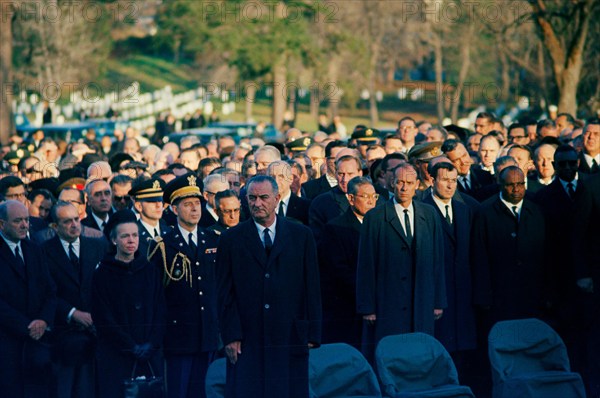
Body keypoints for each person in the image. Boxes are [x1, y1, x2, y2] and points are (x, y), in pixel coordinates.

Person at [216, 175, 322, 398]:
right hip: (247, 337)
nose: (257, 203)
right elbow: (225, 293)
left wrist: (312, 332)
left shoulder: (301, 235)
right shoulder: (231, 239)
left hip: (289, 334)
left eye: (264, 197)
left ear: (276, 198)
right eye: (252, 198)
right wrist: (231, 336)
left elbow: (312, 287)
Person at [356, 164, 446, 353]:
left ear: (417, 185)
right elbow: (366, 264)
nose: (404, 188)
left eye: (409, 183)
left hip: (421, 301)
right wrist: (367, 307)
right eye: (400, 183)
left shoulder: (429, 214)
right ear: (392, 184)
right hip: (388, 303)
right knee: (391, 352)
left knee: (420, 351)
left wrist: (438, 301)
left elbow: (437, 260)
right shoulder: (375, 217)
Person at [148, 173, 219, 398]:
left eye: (197, 204)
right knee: (178, 390)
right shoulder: (163, 246)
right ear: (174, 209)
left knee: (204, 391)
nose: (194, 209)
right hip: (178, 336)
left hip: (208, 333)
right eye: (187, 204)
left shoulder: (213, 239)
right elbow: (155, 295)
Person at [91, 210, 166, 398]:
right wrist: (130, 346)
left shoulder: (149, 270)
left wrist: (151, 343)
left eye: (135, 235)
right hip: (117, 354)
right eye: (125, 236)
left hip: (149, 353)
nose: (131, 240)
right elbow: (103, 317)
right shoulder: (103, 273)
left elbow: (160, 309)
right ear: (114, 240)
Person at [43, 201, 108, 398]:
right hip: (65, 332)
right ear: (55, 226)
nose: (74, 225)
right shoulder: (44, 251)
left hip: (98, 328)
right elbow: (46, 291)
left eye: (76, 219)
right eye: (67, 221)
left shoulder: (97, 246)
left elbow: (105, 287)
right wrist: (72, 313)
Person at [472, 166, 546, 326]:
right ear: (500, 184)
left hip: (531, 293)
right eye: (510, 185)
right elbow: (479, 256)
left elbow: (546, 255)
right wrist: (483, 296)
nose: (516, 189)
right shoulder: (485, 212)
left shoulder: (536, 210)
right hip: (500, 294)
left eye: (520, 184)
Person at [0, 200, 57, 398]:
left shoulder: (34, 249)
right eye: (17, 221)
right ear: (2, 224)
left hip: (37, 343)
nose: (25, 225)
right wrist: (27, 326)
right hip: (7, 343)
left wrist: (43, 320)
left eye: (26, 220)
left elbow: (50, 290)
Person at [319, 177, 377, 349]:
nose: (371, 201)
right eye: (365, 196)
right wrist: (367, 293)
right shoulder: (335, 228)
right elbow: (339, 270)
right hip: (349, 307)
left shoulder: (380, 224)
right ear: (351, 198)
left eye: (374, 197)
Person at [130, 177, 171, 257]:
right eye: (152, 201)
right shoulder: (132, 235)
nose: (158, 205)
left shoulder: (169, 231)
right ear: (139, 206)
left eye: (160, 200)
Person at [267, 160, 310, 225]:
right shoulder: (261, 205)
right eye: (272, 177)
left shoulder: (305, 206)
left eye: (281, 176)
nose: (276, 181)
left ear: (290, 179)